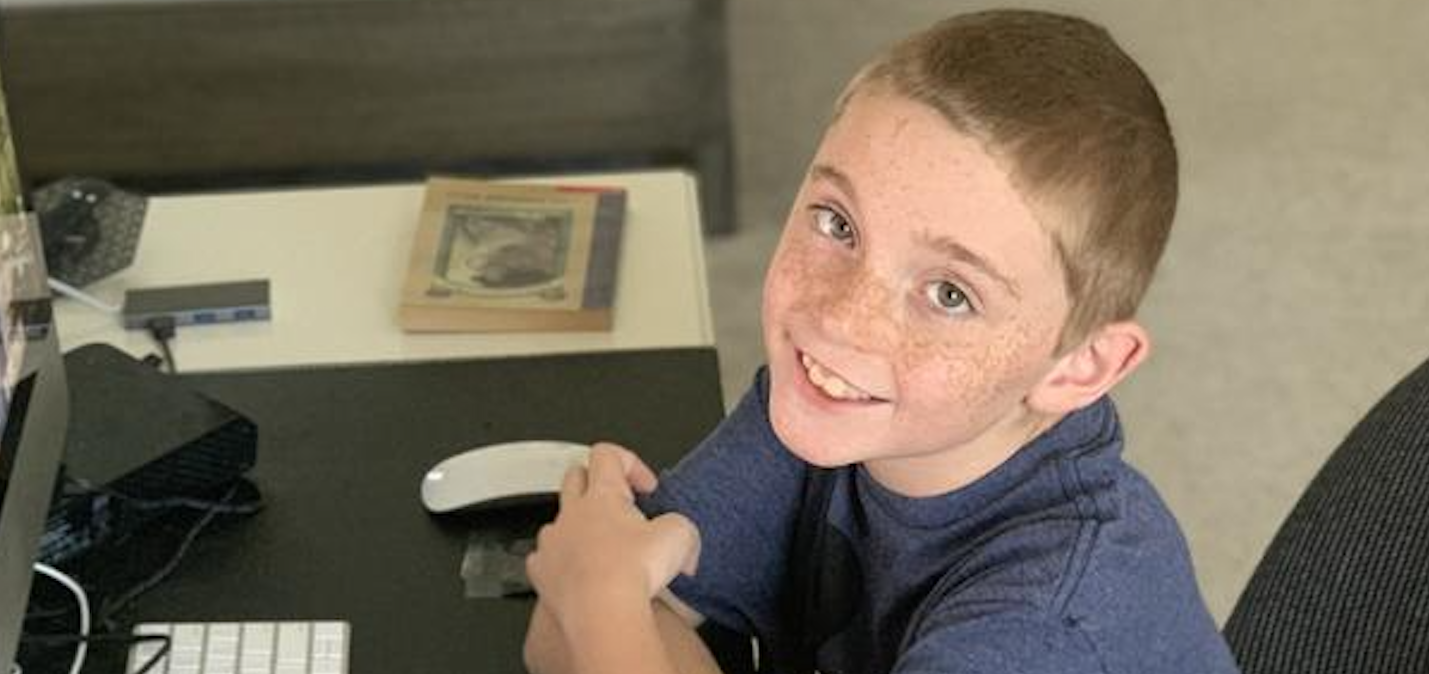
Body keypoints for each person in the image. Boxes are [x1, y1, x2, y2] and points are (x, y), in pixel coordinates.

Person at [521, 9, 1241, 674]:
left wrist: (601, 604)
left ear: (1080, 368)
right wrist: (607, 612)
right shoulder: (824, 401)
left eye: (950, 294)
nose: (842, 320)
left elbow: (590, 610)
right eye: (837, 223)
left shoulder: (1047, 628)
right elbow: (560, 638)